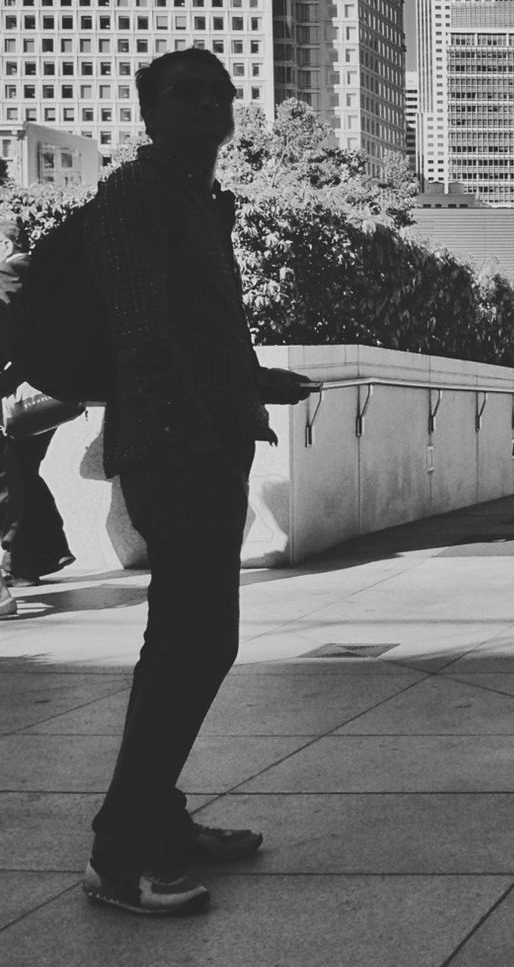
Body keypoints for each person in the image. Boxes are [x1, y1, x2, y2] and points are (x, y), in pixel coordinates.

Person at [81, 48, 313, 916]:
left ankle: (161, 821)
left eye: (220, 93)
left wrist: (256, 384)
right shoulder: (139, 192)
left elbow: (192, 330)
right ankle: (121, 853)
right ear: (150, 111)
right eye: (187, 94)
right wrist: (199, 446)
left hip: (206, 442)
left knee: (187, 643)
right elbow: (142, 335)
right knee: (193, 645)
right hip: (179, 452)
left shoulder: (197, 199)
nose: (209, 104)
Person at [0, 217, 75, 594]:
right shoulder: (39, 273)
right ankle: (46, 553)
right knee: (21, 472)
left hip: (21, 393)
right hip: (43, 392)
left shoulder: (11, 273)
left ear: (5, 245)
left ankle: (24, 562)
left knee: (10, 477)